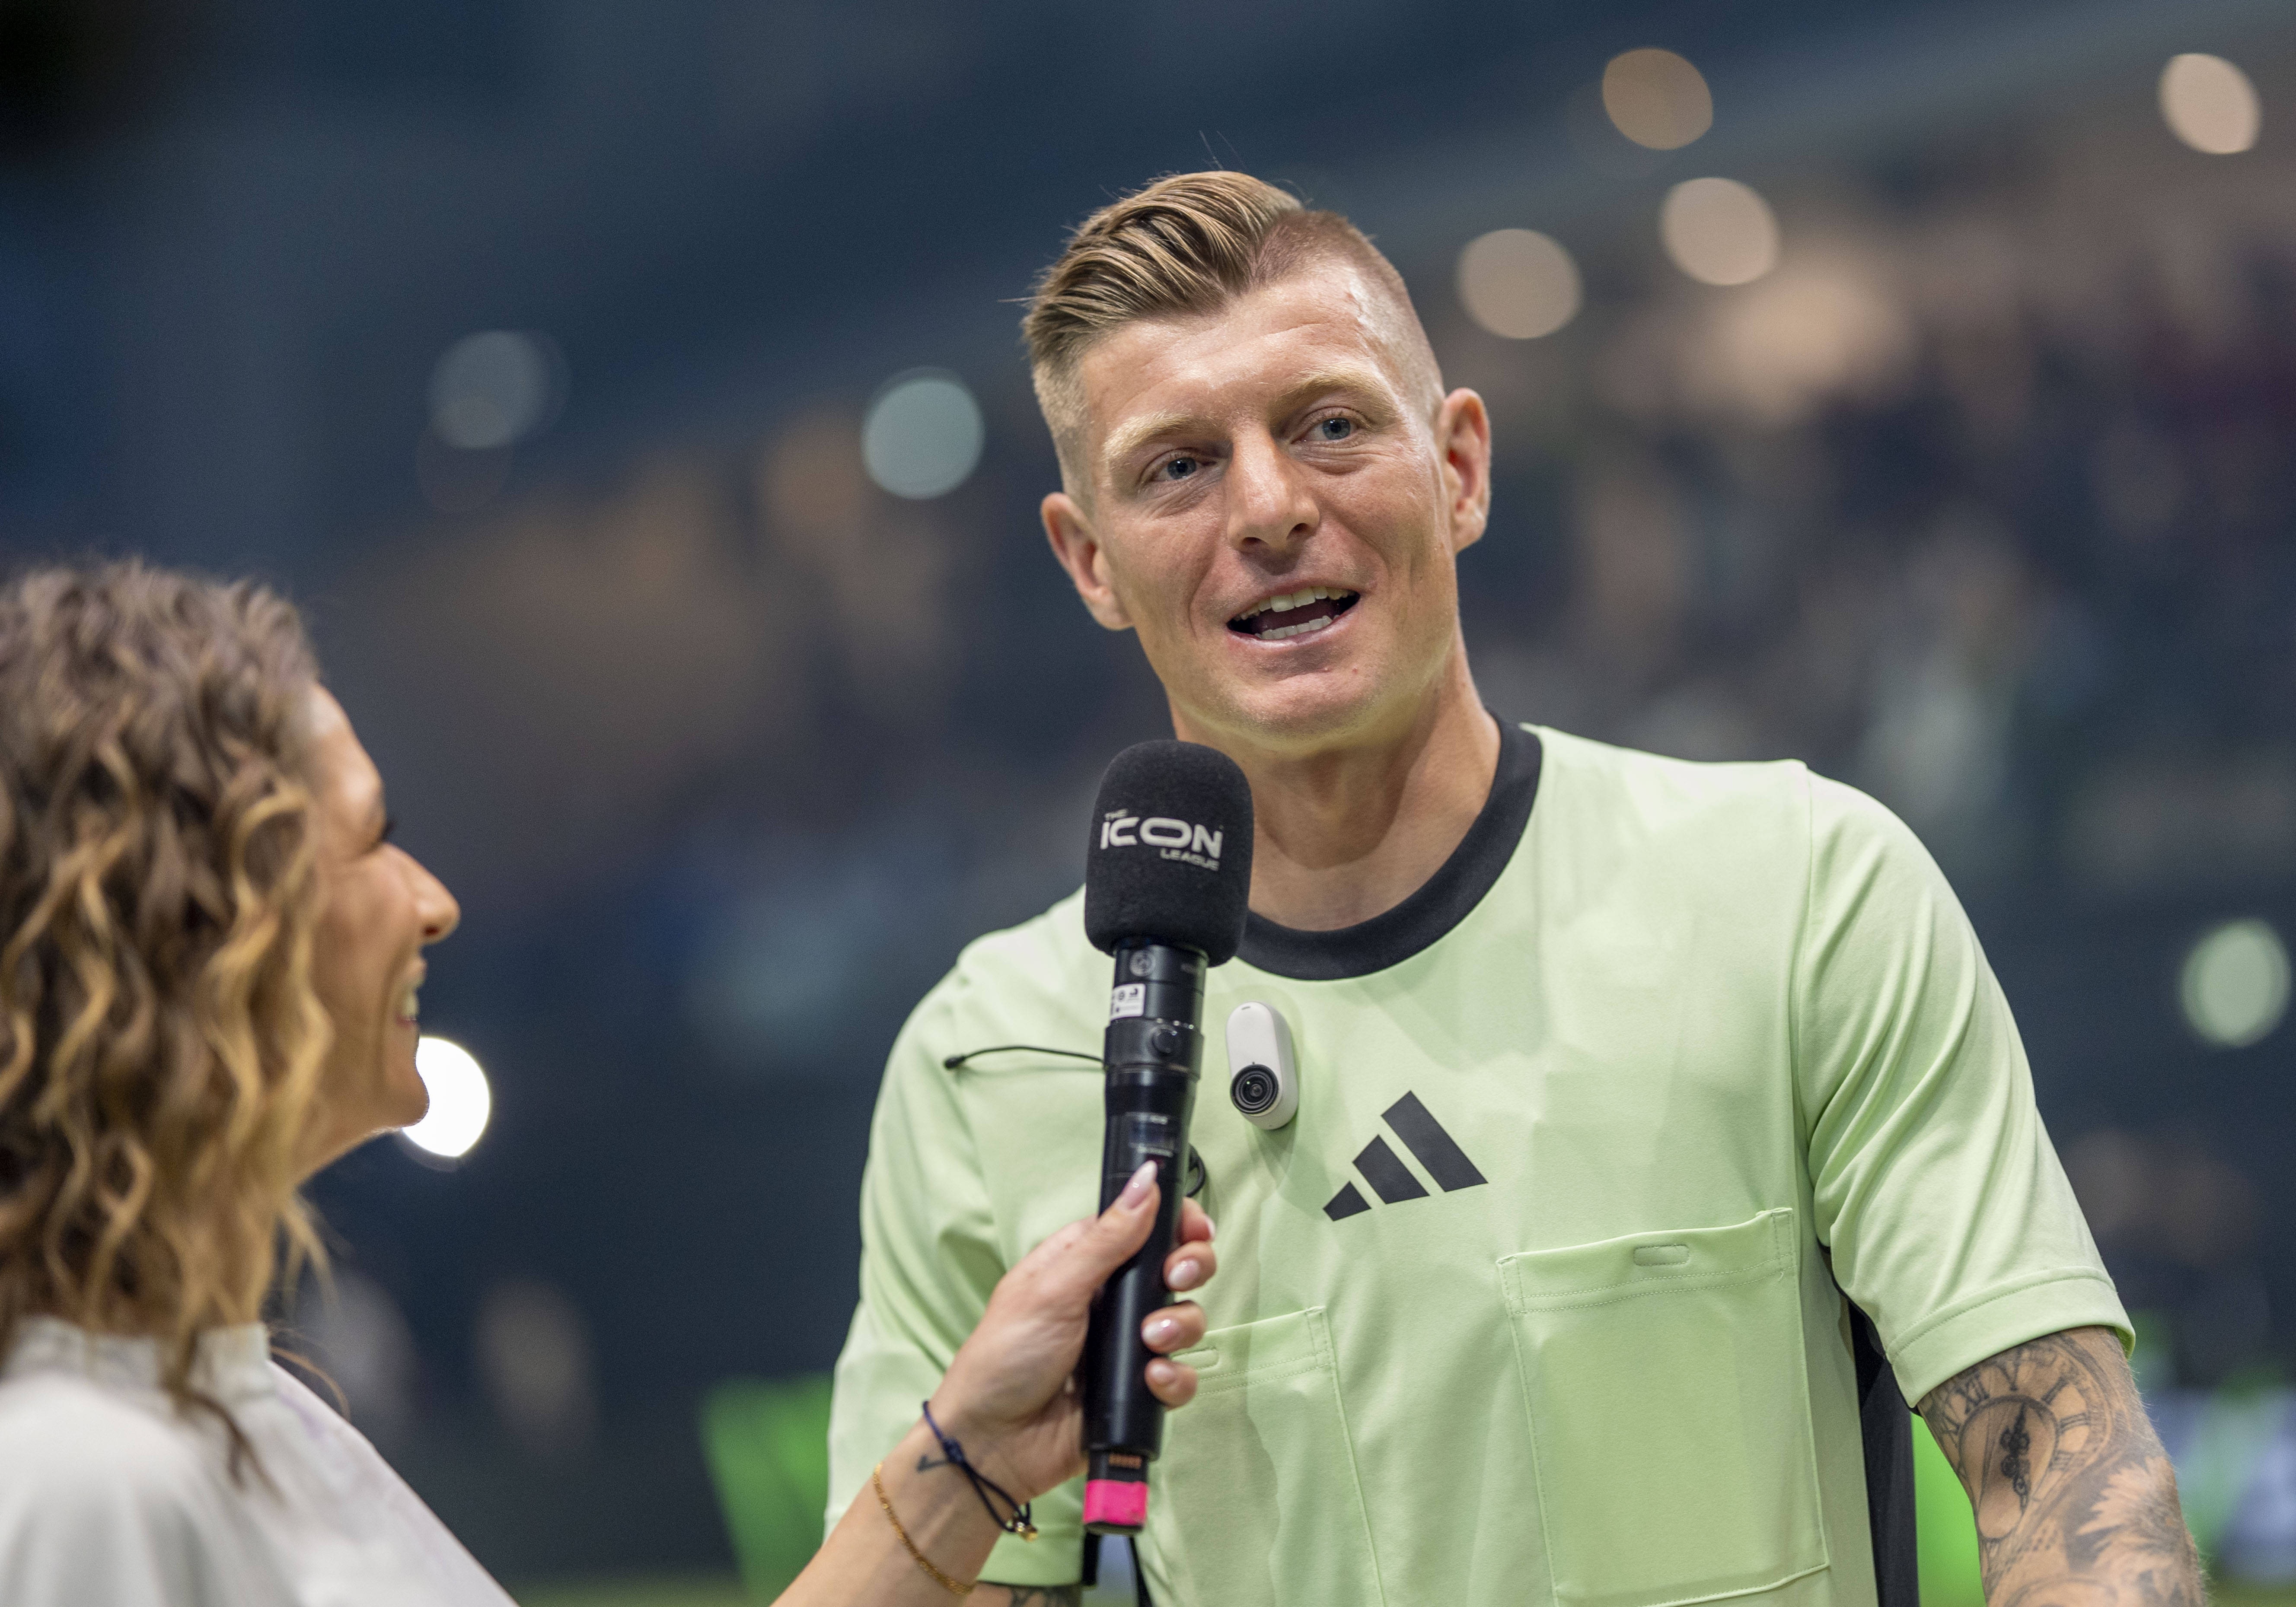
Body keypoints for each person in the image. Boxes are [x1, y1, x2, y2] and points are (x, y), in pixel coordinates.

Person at [824, 171, 2205, 1607]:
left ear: (1462, 468)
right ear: (1090, 561)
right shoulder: (987, 1060)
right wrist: (961, 1463)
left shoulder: (1798, 891)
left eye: (1331, 425)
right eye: (1177, 466)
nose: (1271, 506)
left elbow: (2070, 1483)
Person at [0, 561, 1217, 1605]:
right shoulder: (79, 1473)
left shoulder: (234, 1406)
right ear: (208, 931)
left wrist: (974, 1453)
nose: (432, 903)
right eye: (371, 840)